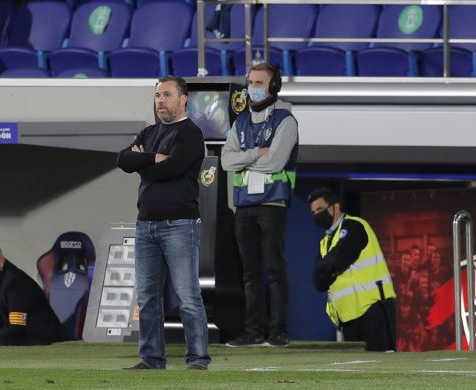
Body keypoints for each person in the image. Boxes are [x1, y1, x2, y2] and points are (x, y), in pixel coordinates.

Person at [116, 75, 211, 370]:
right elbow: (122, 160)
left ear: (184, 99)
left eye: (167, 95)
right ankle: (151, 358)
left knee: (187, 295)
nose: (160, 101)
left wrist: (143, 162)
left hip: (179, 225)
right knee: (147, 297)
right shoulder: (148, 132)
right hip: (145, 225)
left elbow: (171, 170)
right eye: (158, 95)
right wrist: (152, 159)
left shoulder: (191, 134)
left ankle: (197, 358)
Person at [221, 62, 298, 348]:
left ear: (273, 86)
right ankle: (253, 332)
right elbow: (226, 161)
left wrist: (246, 157)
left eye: (259, 83)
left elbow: (275, 161)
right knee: (250, 273)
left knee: (274, 270)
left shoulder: (285, 120)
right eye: (250, 82)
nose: (252, 88)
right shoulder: (240, 122)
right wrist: (256, 152)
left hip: (272, 204)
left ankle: (278, 332)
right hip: (243, 205)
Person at [308, 187, 397, 352]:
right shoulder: (324, 242)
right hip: (347, 316)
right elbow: (318, 281)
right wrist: (329, 267)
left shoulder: (355, 226)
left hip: (373, 308)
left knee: (384, 367)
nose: (317, 215)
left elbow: (339, 257)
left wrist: (329, 269)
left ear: (336, 206)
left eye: (320, 209)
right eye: (313, 212)